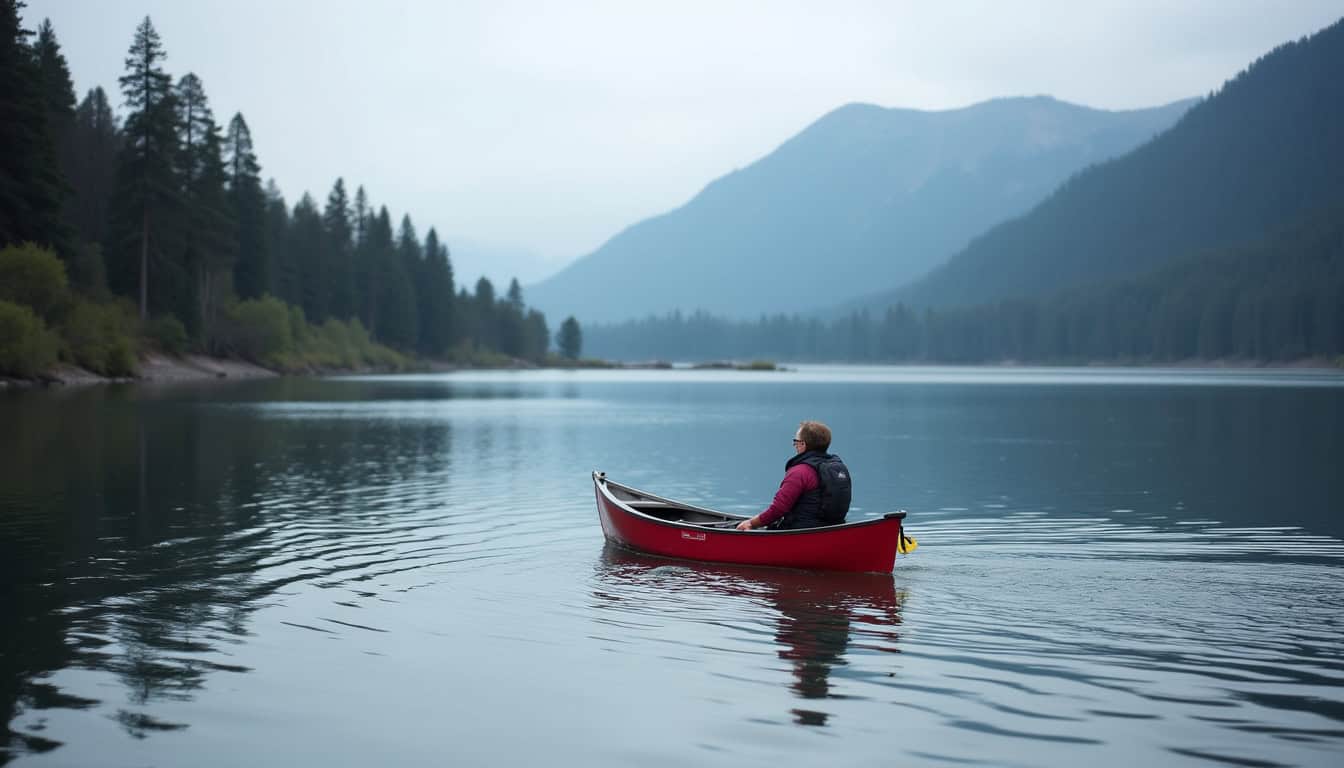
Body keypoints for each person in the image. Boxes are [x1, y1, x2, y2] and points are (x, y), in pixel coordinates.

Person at [736, 420, 851, 531]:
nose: (794, 444)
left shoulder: (800, 472)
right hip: (831, 529)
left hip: (801, 531)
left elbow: (778, 509)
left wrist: (751, 523)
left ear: (802, 444)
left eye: (795, 441)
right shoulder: (836, 468)